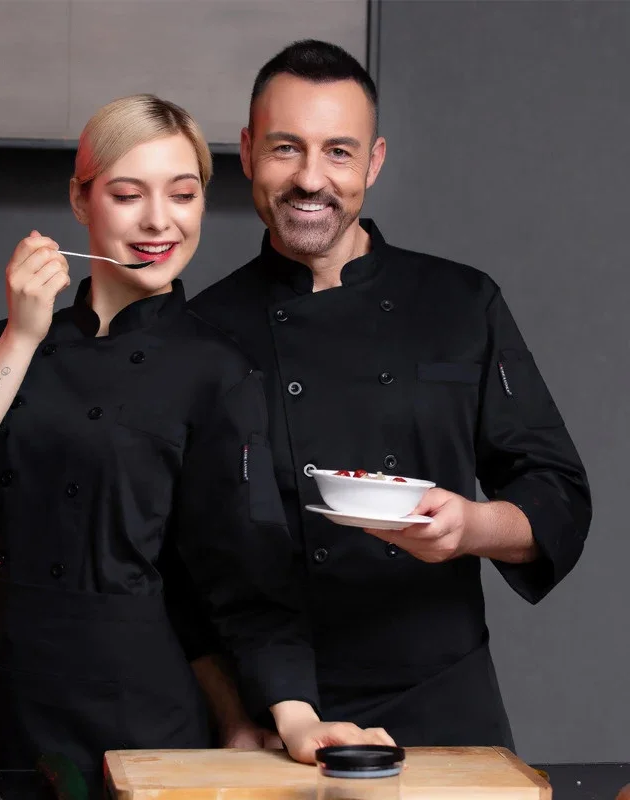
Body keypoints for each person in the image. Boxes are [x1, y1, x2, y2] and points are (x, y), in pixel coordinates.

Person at [0, 94, 395, 779]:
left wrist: (295, 714)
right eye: (128, 195)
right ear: (81, 198)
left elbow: (244, 572)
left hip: (132, 715)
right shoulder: (3, 346)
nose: (160, 221)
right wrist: (21, 334)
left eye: (182, 195)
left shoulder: (216, 371)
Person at [189, 40, 591, 748]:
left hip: (443, 698)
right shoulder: (199, 332)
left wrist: (470, 526)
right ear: (248, 153)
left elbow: (558, 496)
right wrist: (235, 719)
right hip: (273, 712)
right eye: (286, 149)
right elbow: (174, 564)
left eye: (338, 152)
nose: (311, 179)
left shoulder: (460, 302)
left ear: (373, 162)